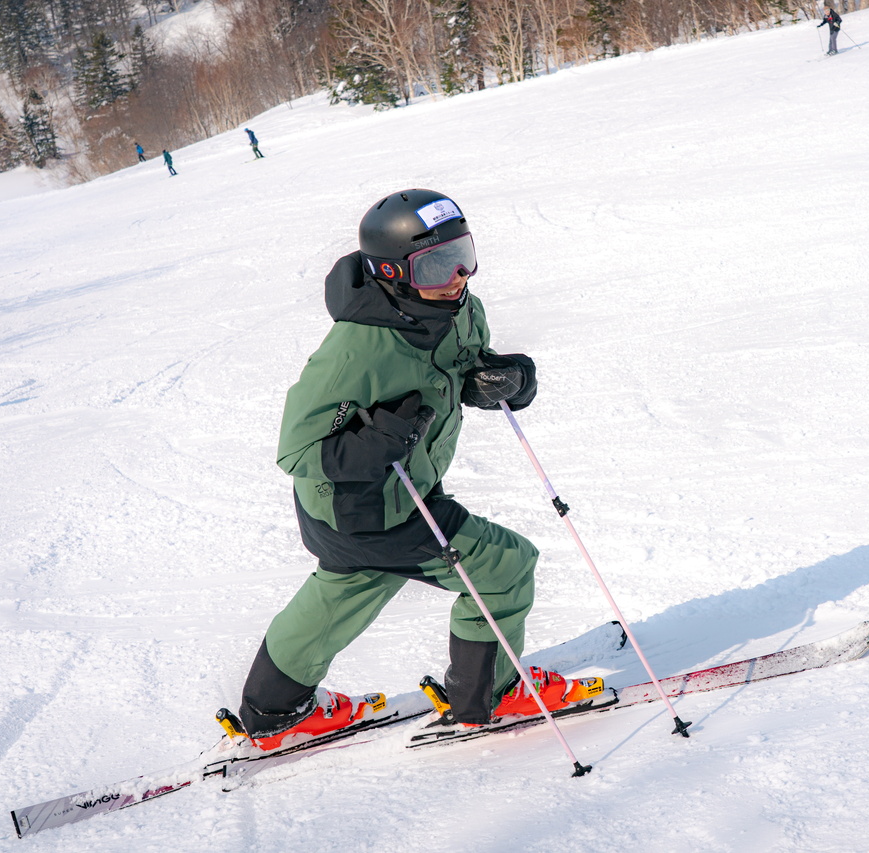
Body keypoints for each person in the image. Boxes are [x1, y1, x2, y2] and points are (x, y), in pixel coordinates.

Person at [227, 189, 597, 752]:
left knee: (352, 584)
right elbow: (297, 449)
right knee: (504, 564)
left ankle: (272, 710)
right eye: (434, 265)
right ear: (390, 271)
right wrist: (375, 442)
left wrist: (506, 380)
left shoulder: (458, 306)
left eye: (462, 256)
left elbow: (464, 368)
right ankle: (491, 694)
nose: (455, 276)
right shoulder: (359, 346)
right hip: (373, 504)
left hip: (374, 503)